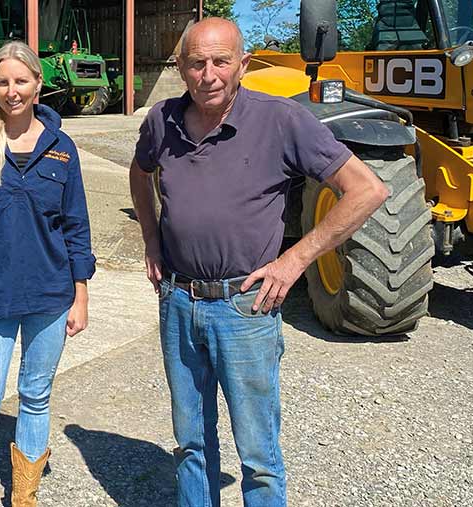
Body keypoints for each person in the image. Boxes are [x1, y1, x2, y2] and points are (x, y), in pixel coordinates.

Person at [129, 17, 389, 507]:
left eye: (221, 61)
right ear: (182, 68)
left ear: (242, 64)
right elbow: (140, 174)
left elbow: (367, 190)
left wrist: (294, 261)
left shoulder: (281, 120)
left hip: (245, 308)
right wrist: (152, 241)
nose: (209, 74)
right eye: (197, 63)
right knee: (190, 444)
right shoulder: (161, 120)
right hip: (180, 303)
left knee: (258, 456)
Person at [0, 41, 95, 507]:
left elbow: (76, 225)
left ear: (37, 84)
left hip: (51, 296)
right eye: (2, 82)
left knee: (35, 398)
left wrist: (81, 294)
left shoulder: (62, 149)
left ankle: (24, 498)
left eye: (20, 81)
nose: (12, 91)